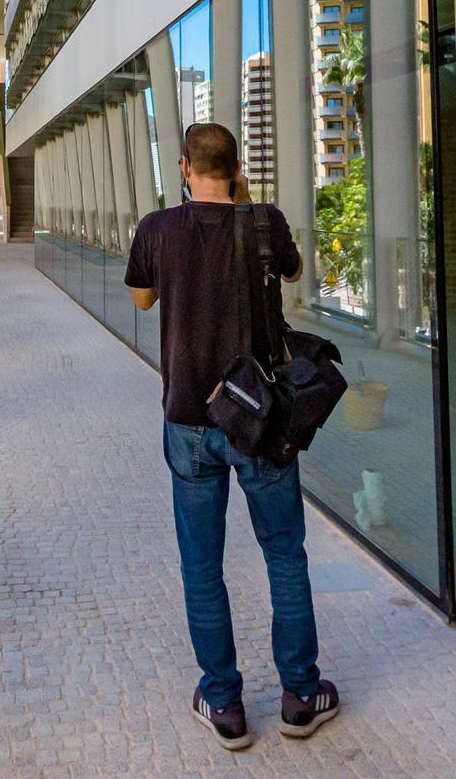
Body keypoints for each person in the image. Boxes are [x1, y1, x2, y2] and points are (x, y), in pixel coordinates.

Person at [125, 122, 339, 750]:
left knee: (202, 567)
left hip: (190, 419)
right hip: (260, 418)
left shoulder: (158, 228)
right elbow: (295, 273)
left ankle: (224, 704)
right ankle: (301, 694)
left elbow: (142, 300)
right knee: (284, 554)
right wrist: (246, 203)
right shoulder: (264, 221)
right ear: (238, 168)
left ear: (186, 167)